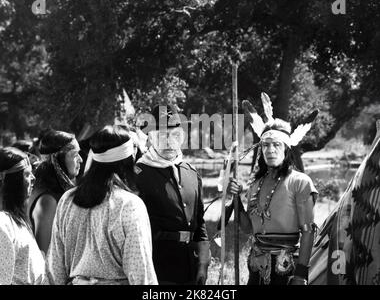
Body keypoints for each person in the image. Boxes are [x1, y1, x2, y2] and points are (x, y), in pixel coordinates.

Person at [46, 125, 157, 285]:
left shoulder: (67, 199)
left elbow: (55, 266)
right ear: (127, 161)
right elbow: (141, 272)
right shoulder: (129, 205)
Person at [228, 114, 318, 285]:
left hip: (286, 268)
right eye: (265, 146)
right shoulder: (255, 184)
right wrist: (236, 200)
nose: (270, 150)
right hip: (256, 267)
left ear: (286, 148)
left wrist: (301, 274)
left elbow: (307, 232)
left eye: (276, 145)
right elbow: (248, 228)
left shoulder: (300, 182)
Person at [135, 105, 210, 285]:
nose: (169, 142)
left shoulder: (191, 173)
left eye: (174, 136)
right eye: (162, 137)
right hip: (156, 266)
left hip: (190, 265)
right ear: (150, 138)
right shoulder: (137, 174)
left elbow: (200, 225)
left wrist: (202, 264)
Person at [28, 130, 83, 254]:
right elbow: (44, 254)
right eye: (75, 155)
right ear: (57, 158)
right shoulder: (47, 200)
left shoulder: (56, 190)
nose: (80, 160)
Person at [0, 147, 48, 284]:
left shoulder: (15, 219)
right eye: (27, 174)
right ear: (10, 181)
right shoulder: (2, 224)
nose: (33, 178)